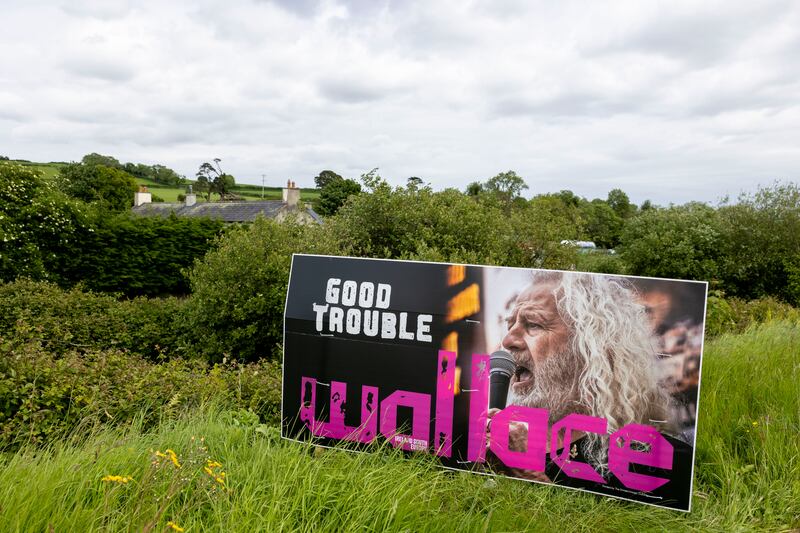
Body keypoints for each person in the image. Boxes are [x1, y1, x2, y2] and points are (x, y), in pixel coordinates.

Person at [486, 271, 692, 507]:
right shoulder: (507, 442)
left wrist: (531, 475)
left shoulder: (662, 461)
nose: (508, 340)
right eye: (510, 324)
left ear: (590, 347)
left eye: (533, 324)